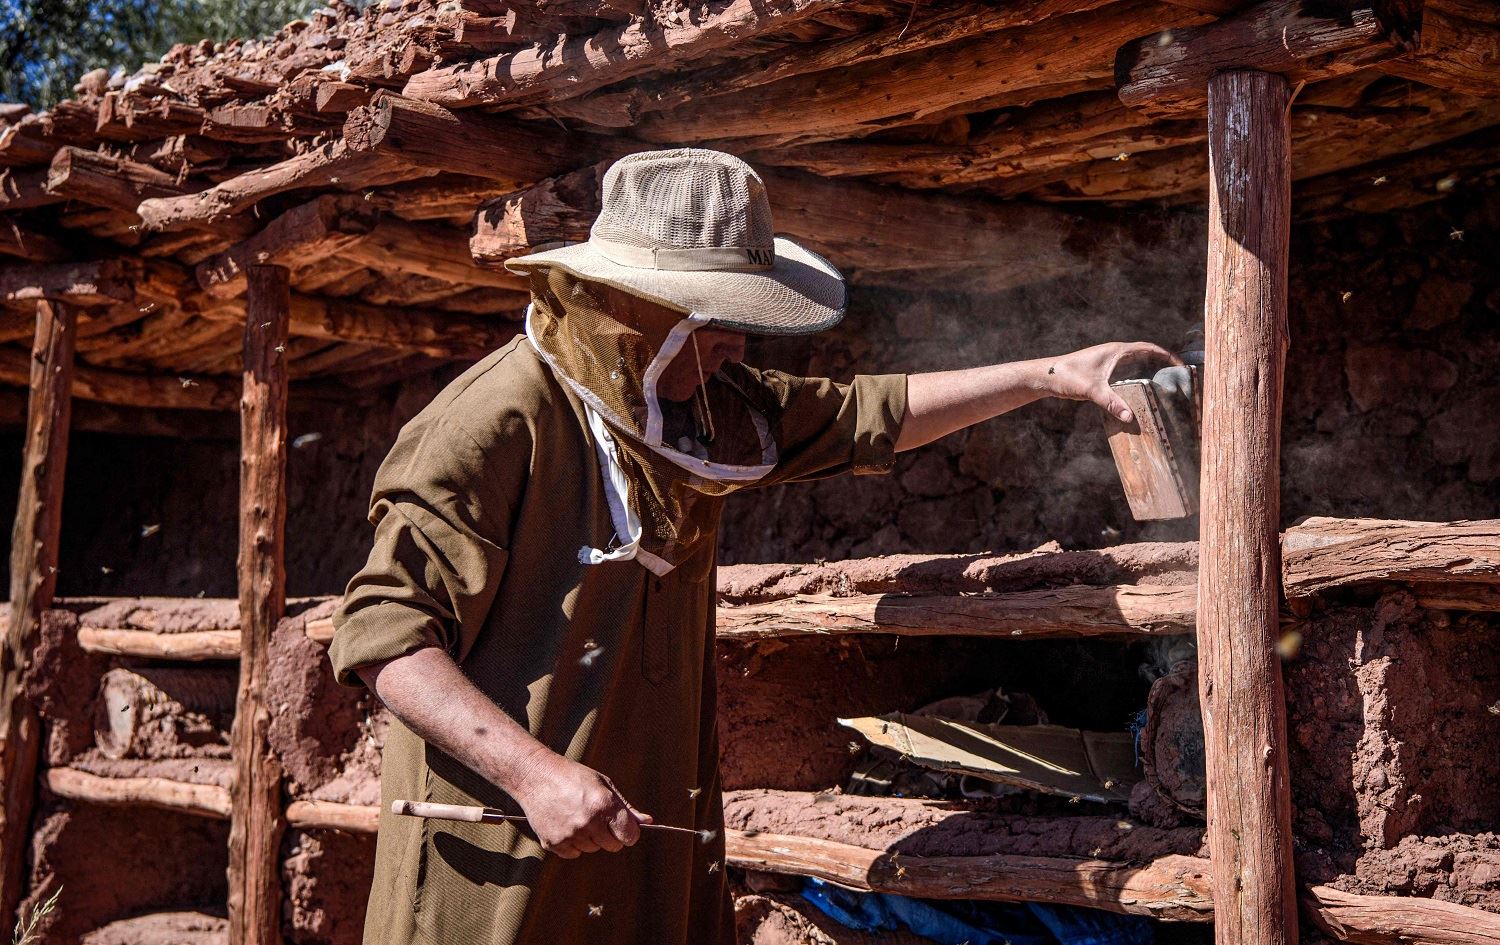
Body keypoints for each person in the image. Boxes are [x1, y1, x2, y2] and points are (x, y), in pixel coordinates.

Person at [328, 148, 1174, 945]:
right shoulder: (491, 423)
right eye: (712, 316)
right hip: (499, 870)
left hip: (642, 856)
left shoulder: (701, 405)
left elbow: (863, 414)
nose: (736, 342)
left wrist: (1051, 374)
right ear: (626, 301)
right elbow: (386, 638)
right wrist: (532, 773)